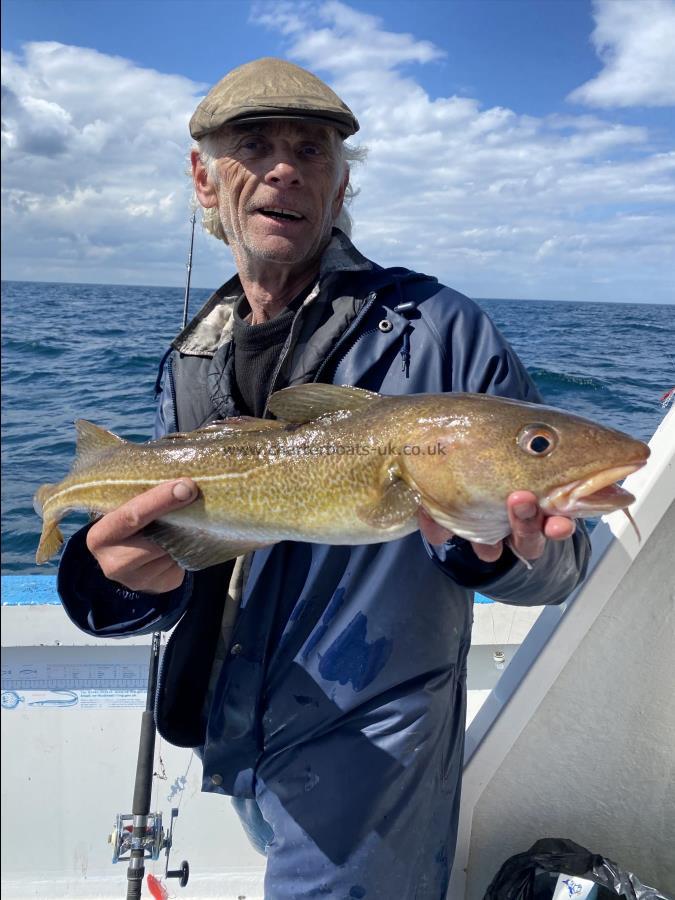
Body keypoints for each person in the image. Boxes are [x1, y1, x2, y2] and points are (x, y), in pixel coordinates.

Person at [57, 57, 590, 899]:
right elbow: (181, 543)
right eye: (254, 146)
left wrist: (494, 552)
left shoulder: (442, 331)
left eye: (312, 152)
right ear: (203, 178)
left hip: (370, 744)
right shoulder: (191, 356)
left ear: (340, 188)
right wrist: (115, 585)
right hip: (228, 736)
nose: (284, 168)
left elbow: (561, 566)